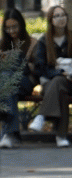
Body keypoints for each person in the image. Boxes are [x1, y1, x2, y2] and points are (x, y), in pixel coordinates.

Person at [28, 5, 72, 147]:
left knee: (60, 84)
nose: (61, 18)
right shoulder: (44, 41)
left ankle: (41, 116)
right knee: (59, 87)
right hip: (50, 84)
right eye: (56, 16)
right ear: (51, 20)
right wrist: (58, 73)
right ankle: (61, 136)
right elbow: (40, 67)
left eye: (63, 15)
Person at [1, 8, 35, 148]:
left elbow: (37, 69)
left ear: (21, 24)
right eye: (8, 28)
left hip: (26, 82)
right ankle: (11, 134)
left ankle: (8, 132)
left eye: (14, 26)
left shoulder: (32, 43)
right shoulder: (3, 44)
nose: (11, 31)